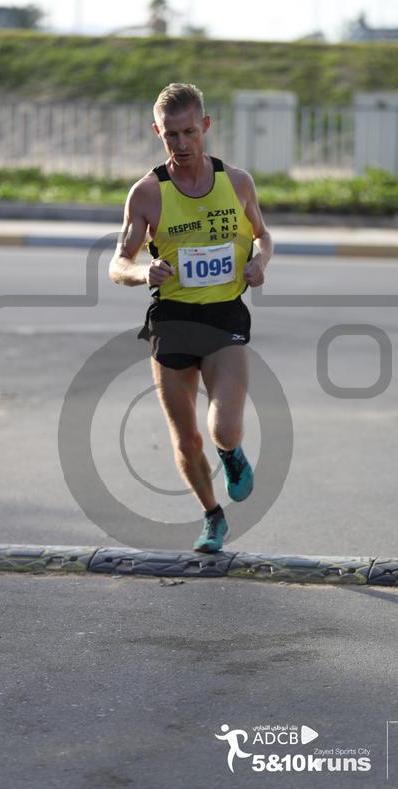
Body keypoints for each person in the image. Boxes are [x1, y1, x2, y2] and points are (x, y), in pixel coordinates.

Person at [108, 83, 273, 553]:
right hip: (173, 320)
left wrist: (260, 261)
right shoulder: (147, 192)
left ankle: (232, 454)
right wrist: (142, 272)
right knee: (186, 441)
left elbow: (262, 235)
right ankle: (212, 516)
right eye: (171, 135)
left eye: (189, 132)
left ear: (205, 126)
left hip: (224, 316)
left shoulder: (237, 183)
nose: (181, 144)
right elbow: (118, 263)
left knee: (224, 430)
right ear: (158, 132)